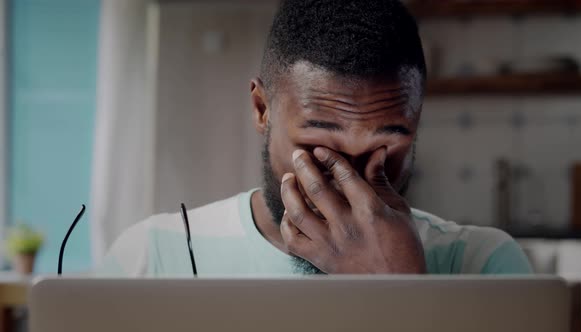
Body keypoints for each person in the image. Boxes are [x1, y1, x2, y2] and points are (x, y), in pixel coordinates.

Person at [99, 0, 532, 277]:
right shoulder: (152, 258)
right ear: (261, 110)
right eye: (319, 149)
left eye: (385, 149)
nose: (355, 186)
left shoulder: (484, 265)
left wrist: (398, 289)